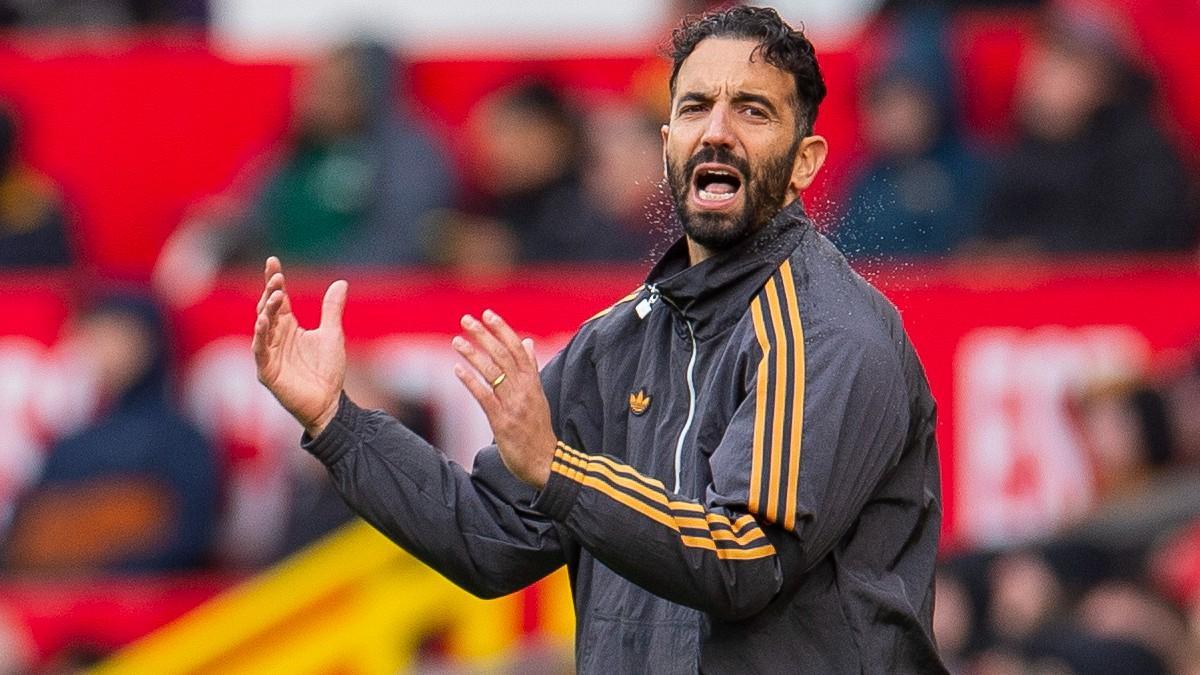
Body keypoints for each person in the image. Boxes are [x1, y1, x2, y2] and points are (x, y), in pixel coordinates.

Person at [252, 7, 944, 672]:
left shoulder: (828, 329)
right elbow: (491, 537)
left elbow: (742, 558)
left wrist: (559, 470)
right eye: (696, 107)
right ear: (668, 140)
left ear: (805, 160)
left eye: (753, 111)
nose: (717, 131)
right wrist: (335, 421)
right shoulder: (616, 343)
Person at [2, 293, 219, 571]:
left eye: (114, 334)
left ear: (149, 342)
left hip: (157, 606)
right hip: (68, 607)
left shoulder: (181, 442)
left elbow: (190, 536)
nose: (100, 349)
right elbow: (26, 543)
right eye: (93, 336)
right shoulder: (71, 444)